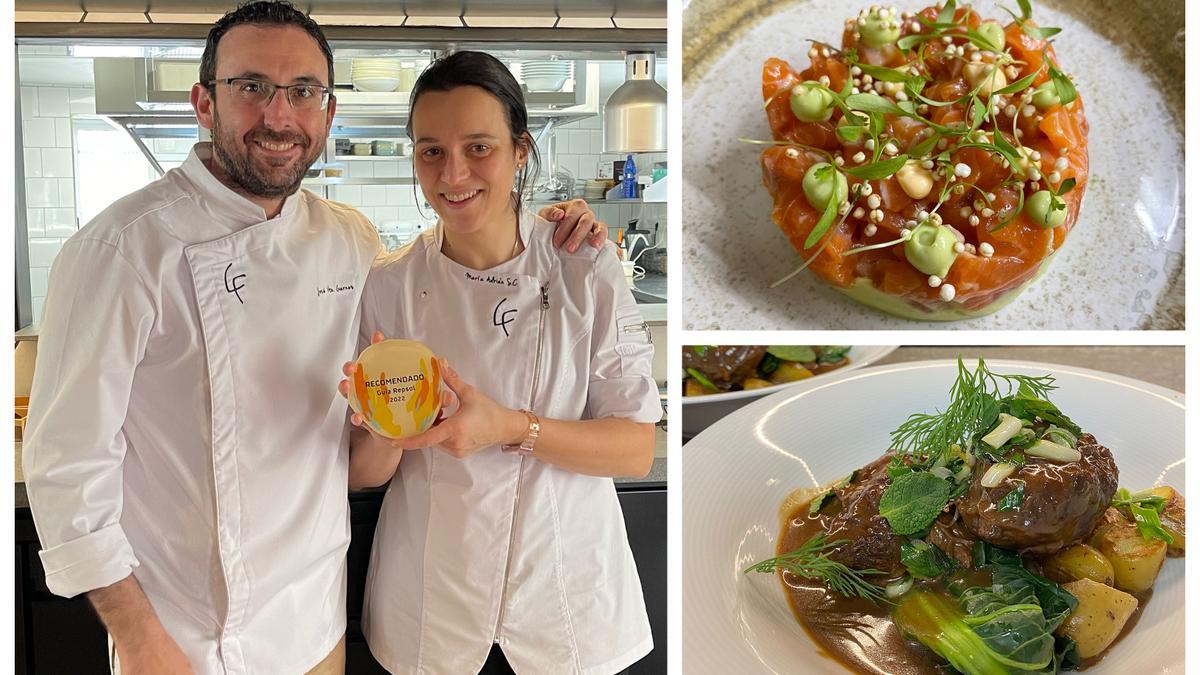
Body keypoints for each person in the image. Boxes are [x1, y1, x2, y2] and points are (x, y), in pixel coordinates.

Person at [20, 3, 605, 673]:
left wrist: (551, 225)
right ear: (203, 103)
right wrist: (140, 640)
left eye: (303, 91)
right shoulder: (119, 250)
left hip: (314, 624)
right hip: (182, 635)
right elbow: (66, 469)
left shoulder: (346, 239)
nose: (279, 115)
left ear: (327, 112)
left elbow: (434, 289)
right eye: (251, 87)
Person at [341, 50, 660, 675]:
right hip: (432, 605)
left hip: (564, 600)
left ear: (521, 150)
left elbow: (635, 448)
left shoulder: (583, 266)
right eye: (430, 150)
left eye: (478, 147)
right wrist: (385, 431)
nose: (453, 173)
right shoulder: (387, 286)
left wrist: (512, 428)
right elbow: (366, 474)